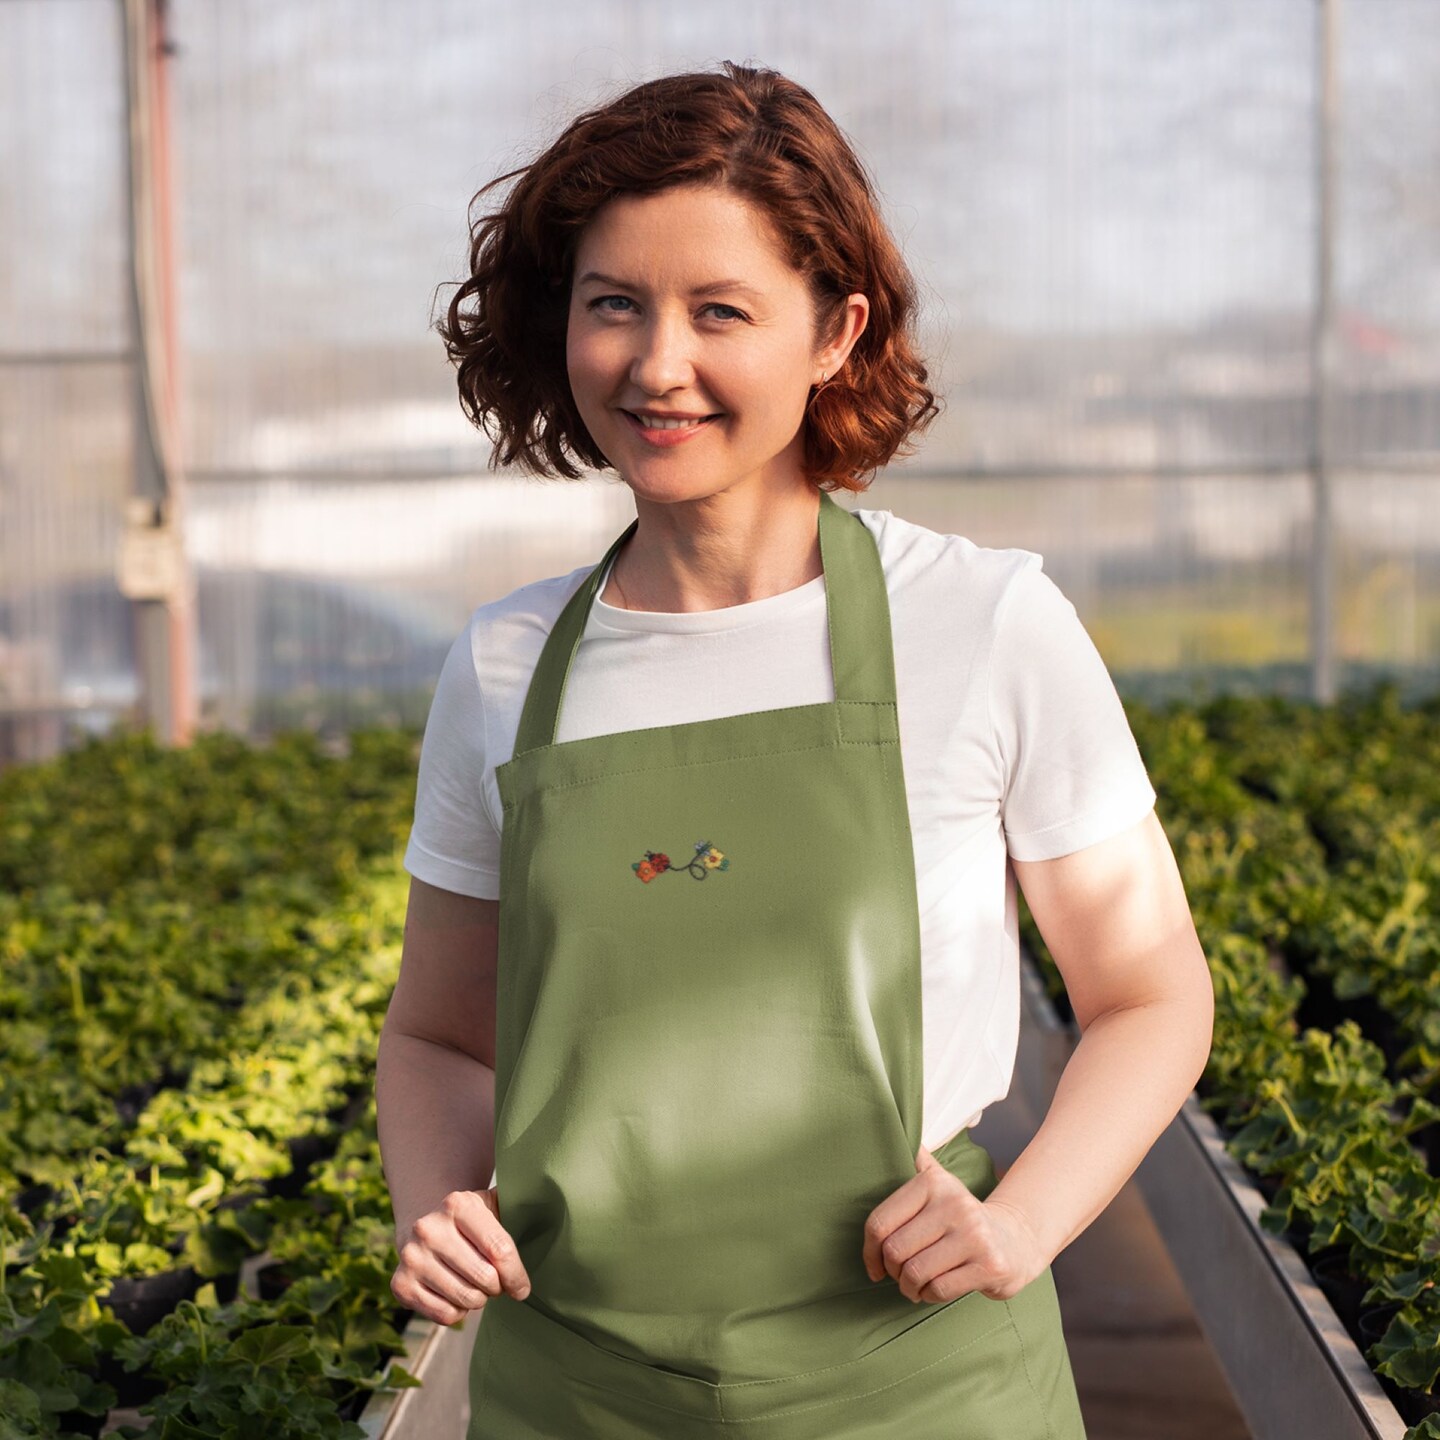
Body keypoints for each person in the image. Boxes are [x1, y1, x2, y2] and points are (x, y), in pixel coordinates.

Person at [375, 60, 1214, 1440]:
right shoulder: (505, 667)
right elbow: (437, 1036)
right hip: (578, 1391)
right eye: (612, 304)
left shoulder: (984, 624)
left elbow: (1149, 992)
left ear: (835, 332)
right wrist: (436, 1208)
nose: (657, 364)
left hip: (920, 1381)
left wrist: (1022, 1223)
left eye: (720, 311)